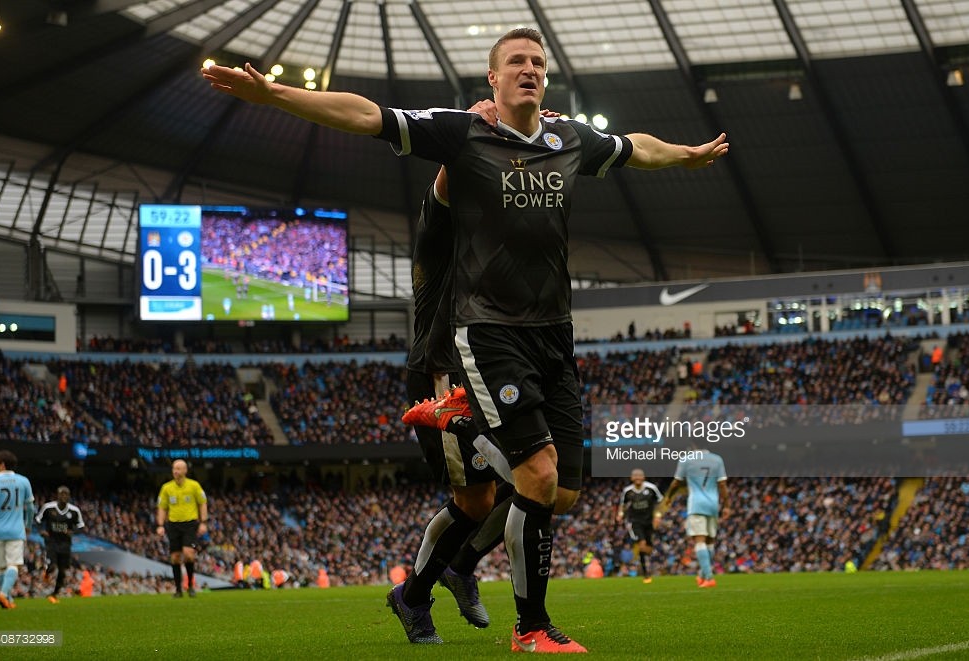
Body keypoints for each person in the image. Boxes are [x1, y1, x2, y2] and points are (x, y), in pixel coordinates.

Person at [203, 27, 726, 652]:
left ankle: (442, 571)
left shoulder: (569, 139)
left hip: (555, 337)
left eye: (538, 62)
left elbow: (634, 147)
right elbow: (367, 114)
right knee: (529, 476)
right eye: (516, 62)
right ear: (493, 81)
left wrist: (685, 156)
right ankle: (529, 624)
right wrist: (277, 96)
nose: (529, 69)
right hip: (484, 335)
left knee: (559, 493)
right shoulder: (463, 135)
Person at [390, 124, 516, 642]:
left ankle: (455, 570)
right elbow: (445, 186)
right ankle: (416, 596)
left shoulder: (491, 245)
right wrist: (479, 134)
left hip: (487, 373)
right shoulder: (439, 232)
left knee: (536, 478)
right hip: (446, 378)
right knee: (477, 502)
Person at [662, 449, 728, 588]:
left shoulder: (686, 459)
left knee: (700, 540)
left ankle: (709, 577)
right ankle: (703, 575)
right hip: (713, 504)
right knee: (709, 542)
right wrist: (727, 505)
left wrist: (668, 497)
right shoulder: (717, 459)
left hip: (697, 504)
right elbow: (722, 484)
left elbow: (676, 482)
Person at [0, 450, 35, 609]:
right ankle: (4, 594)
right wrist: (28, 526)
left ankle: (8, 600)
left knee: (1, 566)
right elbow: (31, 508)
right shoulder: (24, 481)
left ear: (2, 465)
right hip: (16, 530)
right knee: (14, 565)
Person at [155, 459, 208, 598]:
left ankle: (190, 585)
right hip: (173, 525)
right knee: (175, 557)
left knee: (189, 553)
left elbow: (202, 503)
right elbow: (162, 507)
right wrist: (160, 525)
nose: (175, 471)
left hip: (190, 524)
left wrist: (203, 522)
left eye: (178, 469)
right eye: (174, 468)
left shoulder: (194, 486)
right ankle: (178, 589)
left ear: (185, 470)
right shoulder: (167, 488)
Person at [35, 485, 86, 603]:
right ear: (57, 495)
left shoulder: (74, 511)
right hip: (51, 541)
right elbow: (37, 520)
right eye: (61, 493)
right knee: (53, 566)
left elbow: (81, 526)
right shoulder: (48, 508)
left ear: (69, 496)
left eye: (66, 494)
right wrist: (41, 531)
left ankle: (54, 594)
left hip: (65, 543)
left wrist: (72, 532)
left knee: (63, 571)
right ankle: (47, 572)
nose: (64, 496)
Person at [616, 469, 664, 583]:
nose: (637, 477)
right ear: (631, 478)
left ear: (644, 477)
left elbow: (661, 502)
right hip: (635, 522)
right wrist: (620, 514)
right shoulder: (628, 491)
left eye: (639, 475)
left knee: (648, 547)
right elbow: (622, 505)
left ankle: (651, 556)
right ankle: (646, 572)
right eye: (635, 476)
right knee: (642, 544)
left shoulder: (651, 488)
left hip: (650, 522)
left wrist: (658, 516)